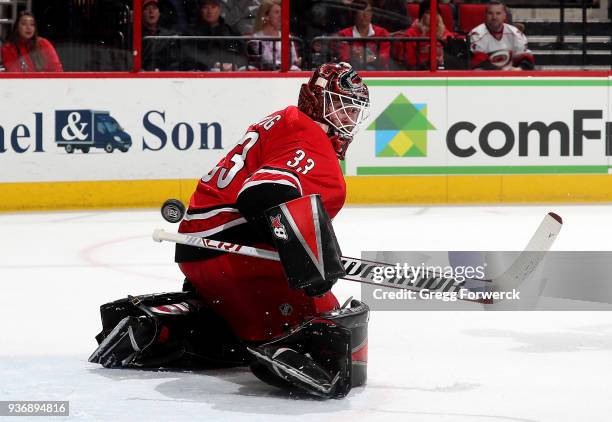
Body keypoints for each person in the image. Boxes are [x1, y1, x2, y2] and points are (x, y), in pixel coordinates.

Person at [88, 62, 371, 399]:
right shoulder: (310, 137)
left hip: (199, 254)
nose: (347, 120)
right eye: (339, 107)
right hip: (238, 260)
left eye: (353, 111)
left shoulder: (283, 121)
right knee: (334, 325)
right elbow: (261, 193)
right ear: (314, 101)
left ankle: (170, 325)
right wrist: (311, 260)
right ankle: (288, 347)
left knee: (232, 333)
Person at [469, 0, 534, 70]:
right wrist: (501, 71)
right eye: (490, 13)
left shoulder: (515, 34)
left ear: (504, 15)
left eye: (498, 13)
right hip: (486, 78)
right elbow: (479, 63)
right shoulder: (477, 35)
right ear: (485, 15)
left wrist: (519, 69)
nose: (494, 17)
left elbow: (526, 58)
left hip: (511, 76)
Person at [184, 0, 244, 71]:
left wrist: (234, 64)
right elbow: (189, 59)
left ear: (219, 9)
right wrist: (214, 64)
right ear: (200, 10)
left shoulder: (232, 32)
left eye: (213, 7)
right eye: (205, 7)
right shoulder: (191, 34)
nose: (210, 11)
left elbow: (242, 55)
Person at [394, 1, 454, 70]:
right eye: (428, 13)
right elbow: (410, 62)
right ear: (422, 16)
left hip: (443, 71)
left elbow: (452, 58)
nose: (433, 15)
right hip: (420, 72)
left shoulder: (445, 33)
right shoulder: (412, 34)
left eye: (436, 13)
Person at [336, 0, 391, 70]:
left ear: (372, 13)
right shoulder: (344, 34)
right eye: (360, 12)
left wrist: (372, 58)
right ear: (354, 14)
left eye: (368, 11)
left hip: (377, 72)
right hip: (353, 72)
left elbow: (385, 57)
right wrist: (356, 56)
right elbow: (344, 59)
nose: (365, 15)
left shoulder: (382, 33)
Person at [249, 0, 301, 70]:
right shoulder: (256, 38)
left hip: (287, 72)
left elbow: (294, 59)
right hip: (267, 74)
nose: (281, 16)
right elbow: (266, 60)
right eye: (277, 12)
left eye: (281, 12)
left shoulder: (287, 36)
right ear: (266, 16)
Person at [142, 0, 180, 71]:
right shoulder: (135, 35)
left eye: (154, 8)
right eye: (147, 8)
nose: (151, 12)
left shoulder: (169, 35)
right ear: (141, 13)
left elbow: (174, 63)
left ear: (159, 13)